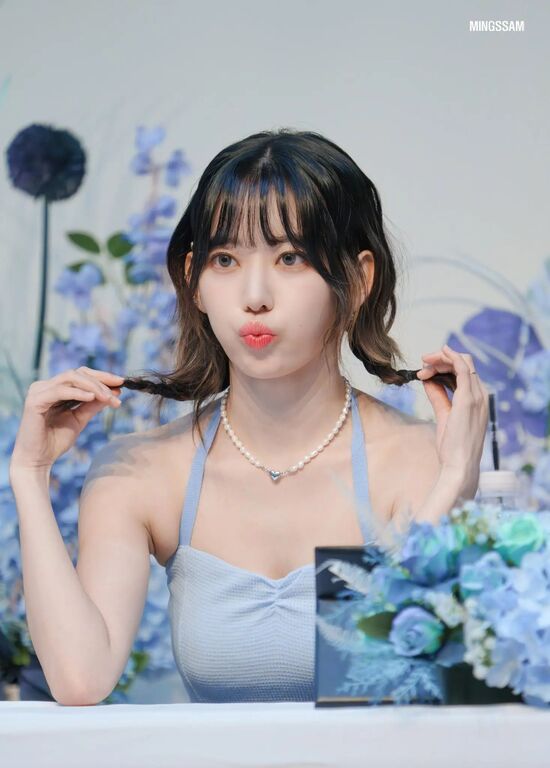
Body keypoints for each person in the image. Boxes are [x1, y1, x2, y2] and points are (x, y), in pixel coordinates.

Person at [9, 128, 489, 705]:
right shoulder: (139, 472)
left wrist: (454, 480)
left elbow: (379, 679)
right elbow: (80, 680)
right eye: (226, 259)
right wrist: (29, 475)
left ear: (358, 279)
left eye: (290, 258)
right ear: (195, 281)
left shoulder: (416, 460)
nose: (255, 295)